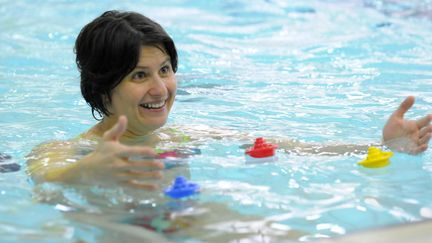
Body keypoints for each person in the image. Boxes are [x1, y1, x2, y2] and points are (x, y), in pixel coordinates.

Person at [26, 10, 432, 190]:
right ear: (101, 91)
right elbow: (48, 175)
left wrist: (384, 147)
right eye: (139, 75)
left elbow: (299, 149)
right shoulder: (67, 151)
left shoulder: (184, 138)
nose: (160, 89)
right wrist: (86, 172)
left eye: (165, 70)